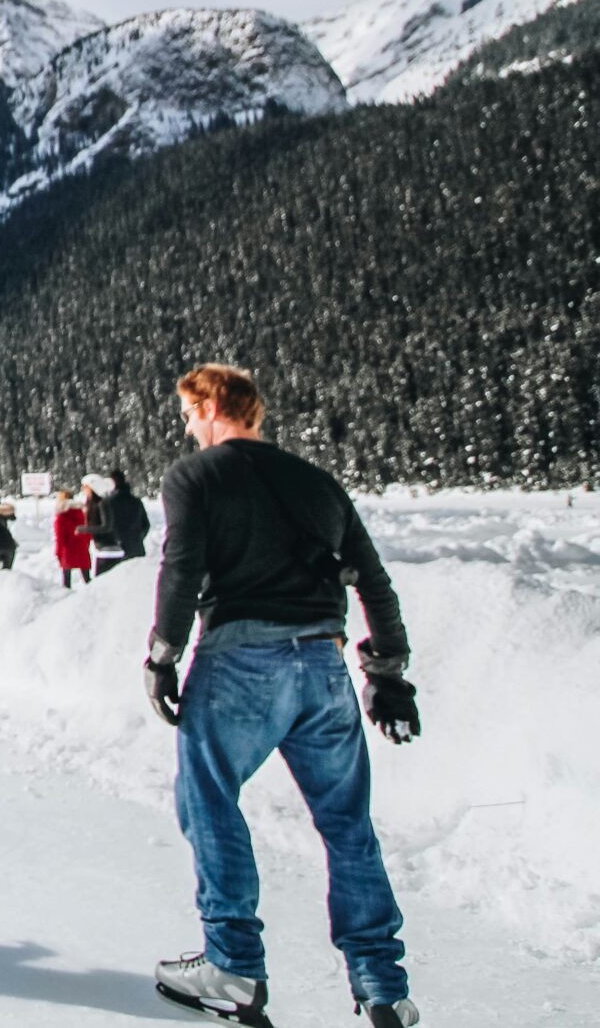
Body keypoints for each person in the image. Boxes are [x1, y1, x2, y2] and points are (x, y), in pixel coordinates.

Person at [144, 364, 420, 1028]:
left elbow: (181, 567)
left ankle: (234, 965)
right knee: (347, 821)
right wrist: (387, 672)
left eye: (189, 411)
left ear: (212, 404)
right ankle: (384, 984)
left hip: (241, 658)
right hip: (324, 666)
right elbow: (374, 582)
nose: (186, 424)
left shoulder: (195, 474)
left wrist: (162, 655)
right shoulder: (318, 482)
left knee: (207, 796)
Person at [84, 474, 126, 576]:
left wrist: (84, 529)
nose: (84, 490)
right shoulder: (94, 504)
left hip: (109, 550)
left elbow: (106, 526)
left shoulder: (102, 503)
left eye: (86, 488)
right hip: (103, 549)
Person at [54, 487, 94, 588]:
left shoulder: (61, 516)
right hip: (82, 548)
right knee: (88, 581)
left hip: (67, 550)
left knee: (66, 582)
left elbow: (60, 538)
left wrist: (58, 553)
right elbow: (88, 532)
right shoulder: (82, 513)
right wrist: (86, 544)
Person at [113, 468, 153, 561]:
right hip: (138, 549)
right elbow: (146, 525)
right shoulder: (136, 501)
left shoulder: (109, 503)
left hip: (119, 552)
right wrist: (138, 538)